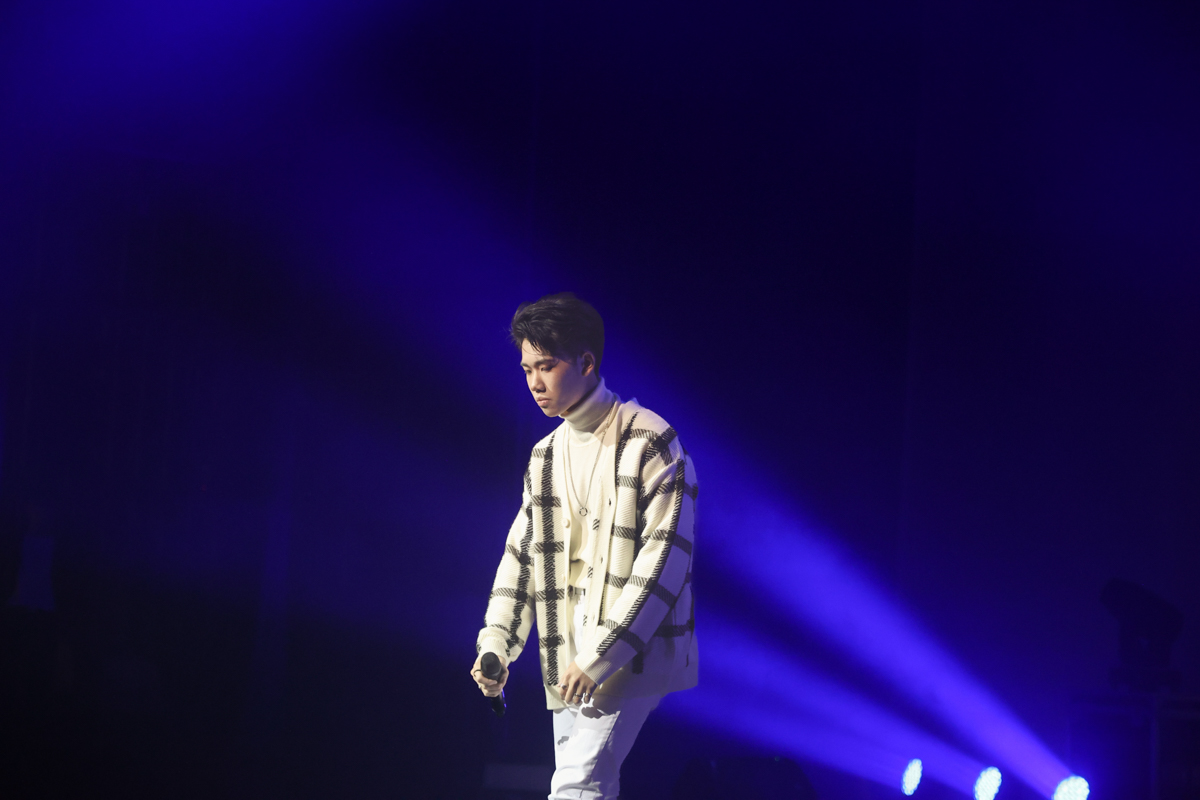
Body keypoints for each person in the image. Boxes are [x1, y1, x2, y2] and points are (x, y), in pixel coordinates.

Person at [471, 292, 699, 800]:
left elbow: (662, 564)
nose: (534, 382)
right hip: (566, 652)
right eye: (527, 369)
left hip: (629, 655)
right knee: (588, 787)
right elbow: (521, 557)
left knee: (576, 786)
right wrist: (496, 645)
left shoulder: (651, 441)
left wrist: (599, 658)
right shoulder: (545, 456)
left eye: (546, 367)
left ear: (586, 362)